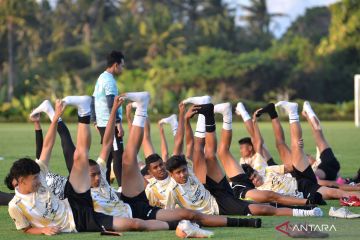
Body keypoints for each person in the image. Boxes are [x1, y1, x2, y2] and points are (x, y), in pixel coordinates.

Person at [163, 97, 323, 218]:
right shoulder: (172, 189)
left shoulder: (185, 173)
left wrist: (184, 119)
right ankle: (306, 210)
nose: (182, 174)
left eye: (183, 171)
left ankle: (206, 114)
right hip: (221, 200)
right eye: (179, 173)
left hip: (217, 192)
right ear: (171, 174)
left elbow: (188, 144)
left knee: (205, 152)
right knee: (263, 208)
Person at [91, 50, 125, 186]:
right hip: (109, 124)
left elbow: (93, 99)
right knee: (118, 156)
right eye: (122, 65)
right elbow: (112, 104)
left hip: (102, 123)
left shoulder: (101, 77)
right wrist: (118, 124)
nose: (122, 68)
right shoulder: (110, 81)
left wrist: (94, 120)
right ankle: (123, 189)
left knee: (109, 156)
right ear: (116, 65)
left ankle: (103, 186)